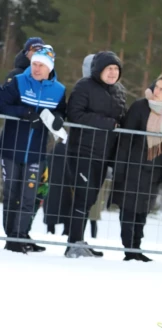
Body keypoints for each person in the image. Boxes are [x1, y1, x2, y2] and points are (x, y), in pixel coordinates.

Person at [111, 73, 162, 261]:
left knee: (143, 211)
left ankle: (137, 247)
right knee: (129, 209)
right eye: (156, 86)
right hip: (134, 166)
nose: (156, 91)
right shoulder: (140, 106)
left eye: (161, 89)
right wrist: (120, 166)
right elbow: (125, 139)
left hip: (155, 169)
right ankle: (129, 249)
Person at [0, 45, 66, 253]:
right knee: (11, 194)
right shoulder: (19, 81)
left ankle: (20, 237)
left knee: (29, 196)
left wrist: (58, 119)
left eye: (41, 65)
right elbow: (1, 104)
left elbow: (62, 112)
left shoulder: (59, 90)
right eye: (34, 64)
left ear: (50, 68)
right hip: (11, 149)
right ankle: (11, 237)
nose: (36, 69)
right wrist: (25, 113)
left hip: (37, 152)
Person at [65, 51, 127, 257]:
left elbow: (121, 120)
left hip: (104, 154)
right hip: (82, 150)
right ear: (99, 70)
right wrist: (107, 124)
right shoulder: (84, 86)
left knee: (90, 199)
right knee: (82, 197)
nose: (112, 73)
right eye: (109, 68)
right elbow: (75, 114)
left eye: (116, 69)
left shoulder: (120, 91)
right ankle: (73, 244)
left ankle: (79, 240)